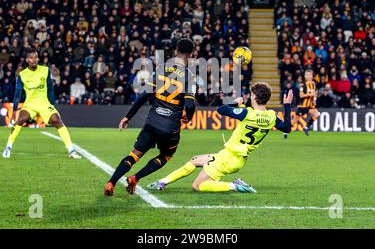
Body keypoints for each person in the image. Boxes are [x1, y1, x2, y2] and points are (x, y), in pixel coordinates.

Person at [147, 83, 293, 193]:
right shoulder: (271, 116)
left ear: (254, 97)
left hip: (228, 158)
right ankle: (162, 182)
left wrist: (236, 102)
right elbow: (287, 128)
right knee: (195, 160)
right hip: (235, 157)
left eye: (251, 94)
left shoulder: (247, 113)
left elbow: (221, 110)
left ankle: (236, 186)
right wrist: (287, 105)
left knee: (197, 186)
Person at [104, 38, 197, 196]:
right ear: (191, 54)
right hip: (170, 127)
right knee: (166, 155)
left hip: (152, 121)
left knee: (134, 155)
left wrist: (128, 116)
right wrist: (188, 118)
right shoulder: (189, 76)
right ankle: (135, 178)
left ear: (176, 51)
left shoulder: (161, 68)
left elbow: (143, 96)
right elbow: (190, 105)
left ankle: (111, 182)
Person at [2, 48, 81, 159]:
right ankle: (8, 147)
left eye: (36, 57)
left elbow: (50, 89)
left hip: (44, 103)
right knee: (21, 119)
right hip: (30, 104)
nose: (34, 60)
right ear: (27, 60)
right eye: (31, 57)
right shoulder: (22, 75)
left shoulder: (45, 70)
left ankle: (71, 151)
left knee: (57, 120)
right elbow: (17, 93)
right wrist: (15, 109)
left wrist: (52, 104)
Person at [285, 69, 320, 138]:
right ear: (305, 76)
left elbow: (315, 94)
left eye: (310, 74)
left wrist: (314, 100)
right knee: (294, 121)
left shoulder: (314, 84)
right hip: (302, 106)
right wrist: (310, 94)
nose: (308, 76)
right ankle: (286, 131)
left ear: (312, 76)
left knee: (317, 114)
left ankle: (306, 127)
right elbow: (301, 95)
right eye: (307, 74)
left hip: (310, 105)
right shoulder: (303, 85)